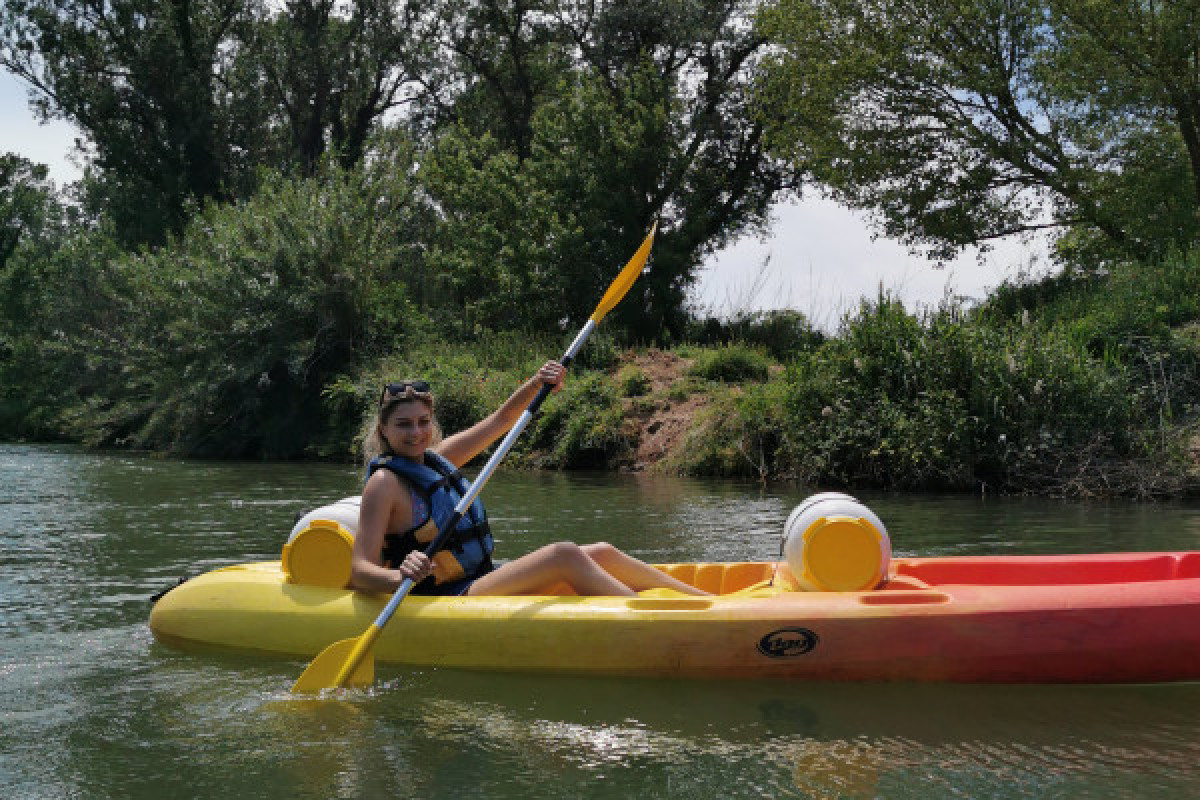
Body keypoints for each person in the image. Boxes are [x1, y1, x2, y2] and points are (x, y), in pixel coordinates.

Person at [350, 361, 711, 597]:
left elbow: (500, 421)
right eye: (403, 424)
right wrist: (400, 576)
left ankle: (703, 602)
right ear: (383, 429)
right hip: (444, 594)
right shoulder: (384, 484)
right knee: (563, 555)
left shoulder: (438, 459)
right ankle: (652, 619)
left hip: (480, 577)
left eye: (423, 422)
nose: (416, 432)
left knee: (601, 552)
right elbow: (360, 570)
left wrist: (539, 383)